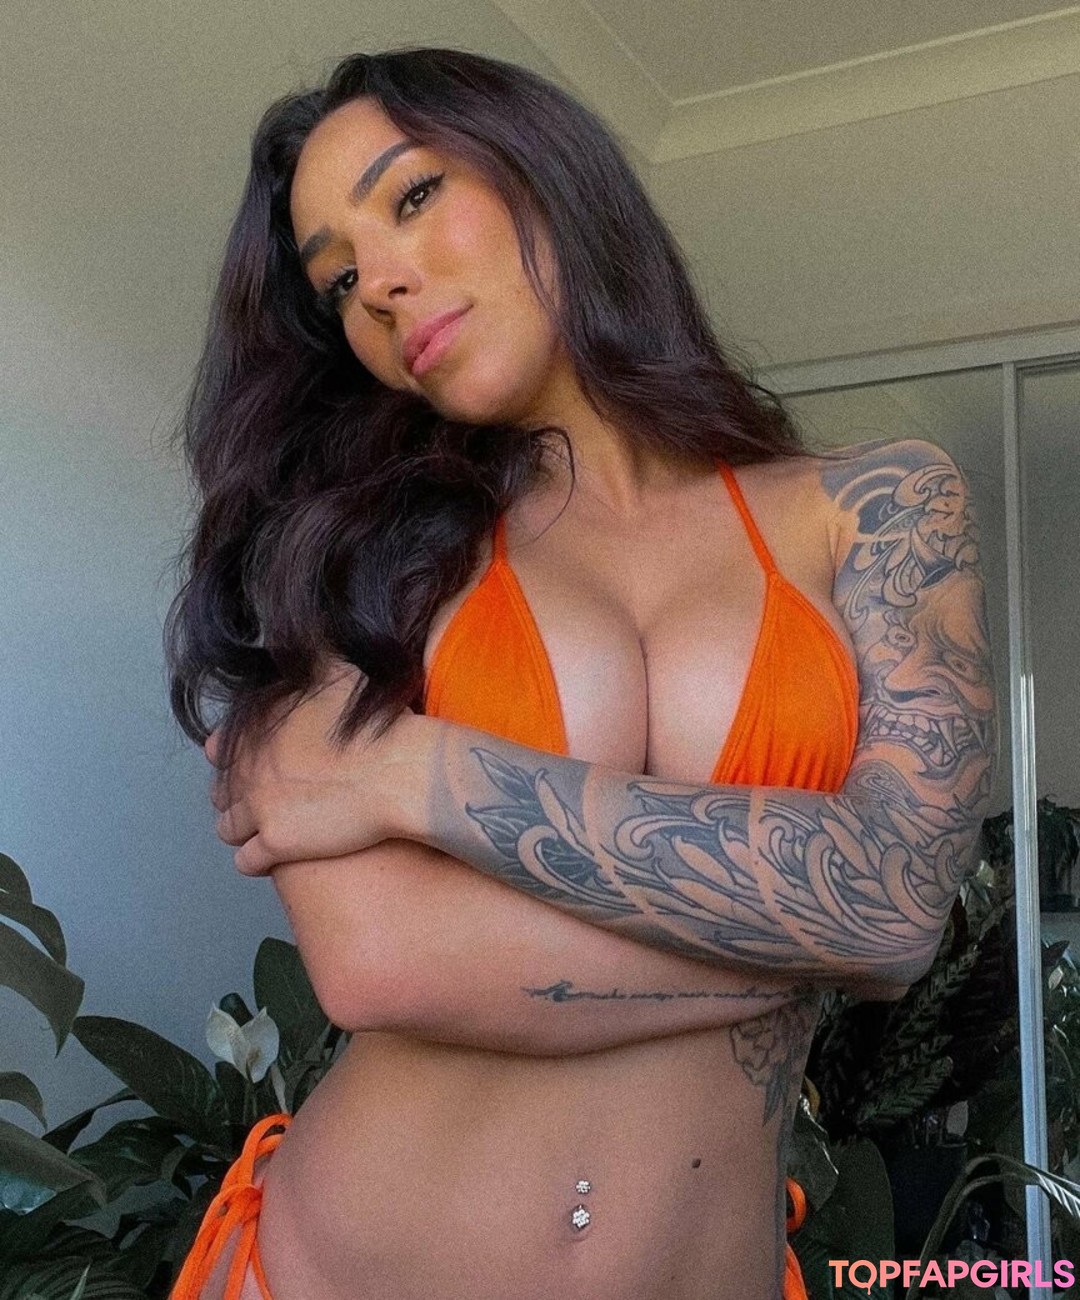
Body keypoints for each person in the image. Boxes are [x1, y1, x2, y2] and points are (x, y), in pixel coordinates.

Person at [166, 47, 996, 1300]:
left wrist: (423, 771)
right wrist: (827, 921)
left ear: (544, 171)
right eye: (336, 279)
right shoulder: (345, 541)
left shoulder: (877, 503)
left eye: (413, 196)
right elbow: (380, 960)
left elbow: (899, 900)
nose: (377, 286)